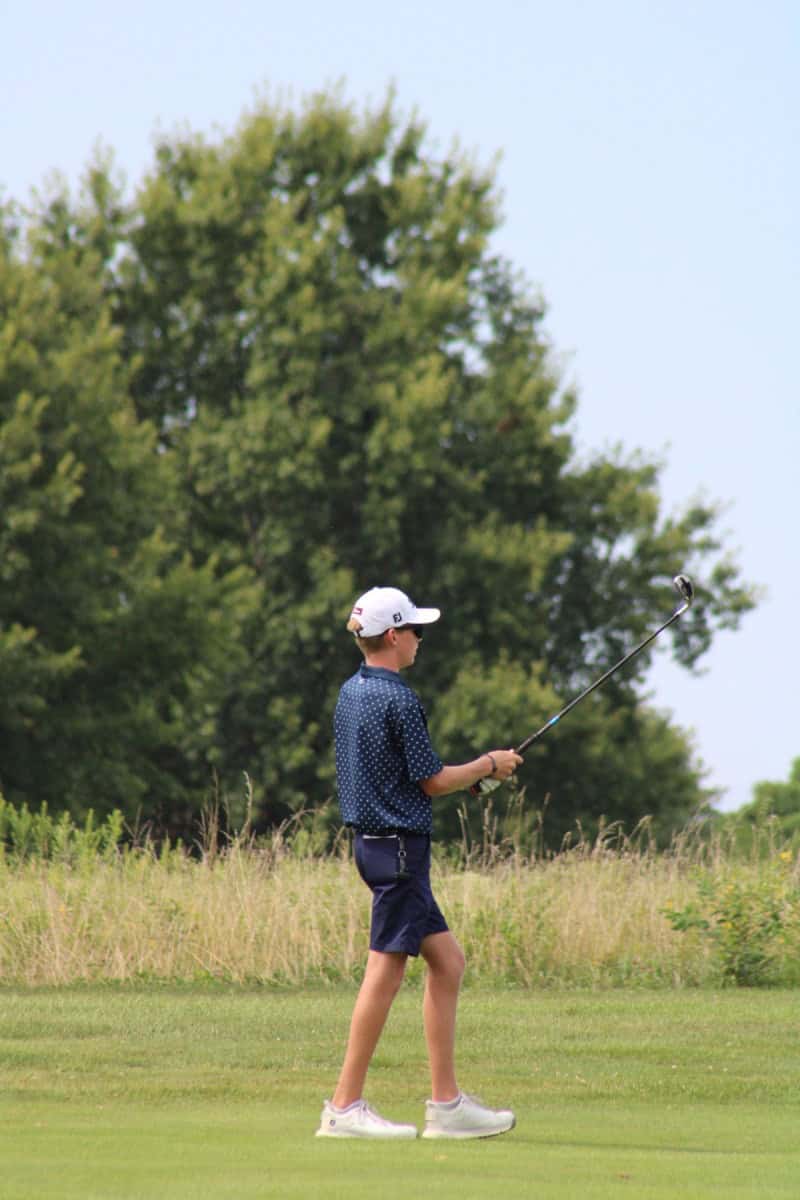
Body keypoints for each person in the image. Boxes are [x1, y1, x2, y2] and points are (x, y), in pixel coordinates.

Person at [316, 586, 523, 1140]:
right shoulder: (400, 700)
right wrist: (488, 764)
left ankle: (447, 1105)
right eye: (416, 631)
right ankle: (343, 1107)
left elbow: (401, 776)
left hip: (375, 848)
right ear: (393, 635)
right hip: (400, 852)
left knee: (447, 962)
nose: (419, 640)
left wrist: (473, 775)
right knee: (385, 970)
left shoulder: (351, 691)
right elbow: (431, 780)